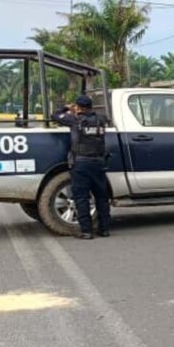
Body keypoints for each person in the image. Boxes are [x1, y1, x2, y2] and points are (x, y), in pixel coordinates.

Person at [53, 93, 111, 239]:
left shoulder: (75, 119)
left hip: (81, 164)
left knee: (81, 198)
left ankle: (86, 231)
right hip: (99, 163)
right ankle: (104, 229)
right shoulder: (101, 119)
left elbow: (55, 115)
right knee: (101, 197)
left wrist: (67, 107)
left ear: (78, 107)